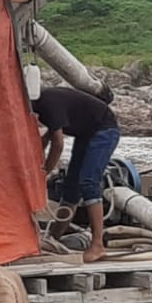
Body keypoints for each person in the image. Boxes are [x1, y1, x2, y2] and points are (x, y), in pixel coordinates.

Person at [32, 86, 121, 262]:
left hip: (104, 130)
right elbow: (46, 138)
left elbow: (58, 144)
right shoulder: (43, 106)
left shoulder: (47, 103)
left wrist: (44, 172)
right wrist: (33, 162)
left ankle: (98, 245)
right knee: (71, 186)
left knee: (88, 183)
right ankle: (53, 238)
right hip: (85, 133)